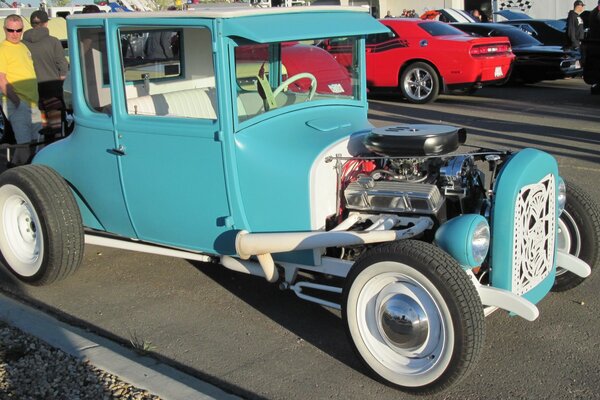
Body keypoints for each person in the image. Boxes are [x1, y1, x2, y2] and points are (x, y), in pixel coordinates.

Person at [0, 14, 42, 165]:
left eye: (18, 30)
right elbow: (1, 79)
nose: (15, 34)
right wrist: (17, 101)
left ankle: (15, 169)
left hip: (32, 102)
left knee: (36, 142)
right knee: (25, 144)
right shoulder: (2, 49)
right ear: (5, 29)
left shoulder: (23, 46)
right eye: (11, 30)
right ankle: (16, 179)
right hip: (17, 102)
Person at [22, 10, 68, 136]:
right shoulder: (53, 41)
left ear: (31, 24)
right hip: (52, 91)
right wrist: (60, 83)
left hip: (32, 92)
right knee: (57, 129)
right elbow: (63, 66)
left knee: (42, 130)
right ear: (46, 23)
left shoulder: (22, 44)